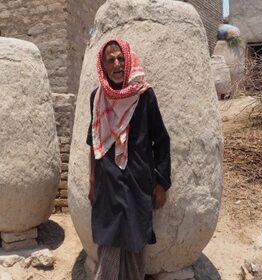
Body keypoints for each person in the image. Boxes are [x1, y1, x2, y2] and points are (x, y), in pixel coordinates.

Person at [86, 39, 172, 280]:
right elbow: (94, 140)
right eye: (110, 59)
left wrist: (161, 183)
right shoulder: (97, 97)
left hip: (137, 180)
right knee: (109, 240)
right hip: (108, 181)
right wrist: (92, 180)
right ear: (103, 65)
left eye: (120, 58)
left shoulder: (144, 95)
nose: (116, 64)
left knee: (135, 240)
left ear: (129, 60)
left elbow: (162, 140)